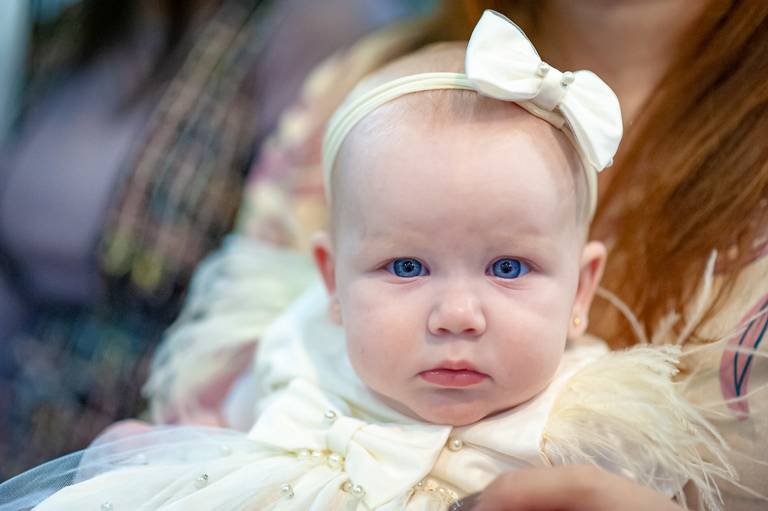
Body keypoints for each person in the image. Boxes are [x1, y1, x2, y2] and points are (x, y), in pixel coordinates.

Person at [0, 12, 739, 510]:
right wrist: (151, 455)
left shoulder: (589, 419)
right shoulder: (297, 347)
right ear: (331, 281)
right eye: (407, 268)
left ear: (583, 288)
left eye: (509, 269)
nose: (457, 314)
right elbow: (203, 434)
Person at [0, 0, 420, 478]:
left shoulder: (301, 27)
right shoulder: (66, 31)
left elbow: (284, 258)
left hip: (160, 419)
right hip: (17, 405)